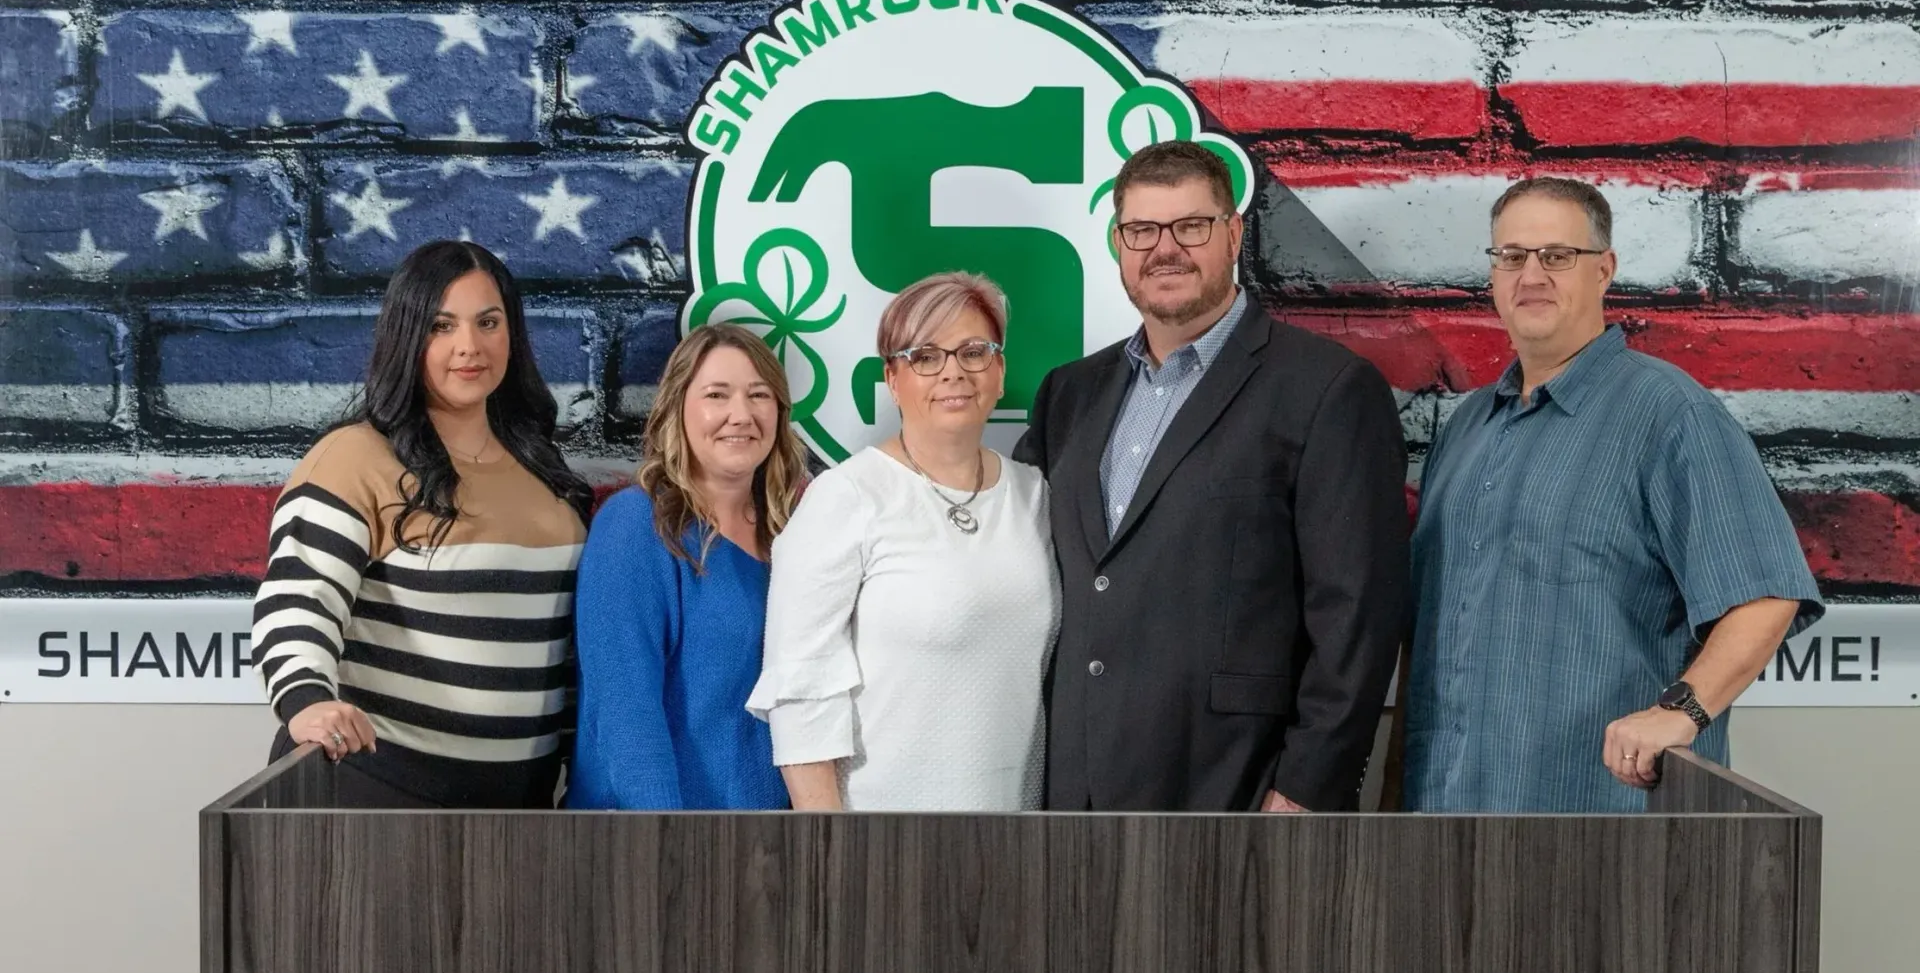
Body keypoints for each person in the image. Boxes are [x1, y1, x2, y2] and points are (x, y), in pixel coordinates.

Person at [1405, 177, 1824, 813]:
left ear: (1604, 270)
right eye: (1511, 256)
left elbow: (1765, 597)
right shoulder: (1466, 428)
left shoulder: (1670, 415)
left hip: (1604, 827)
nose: (1532, 274)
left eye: (1557, 255)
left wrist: (1680, 711)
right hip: (1448, 813)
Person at [1014, 140, 1408, 813]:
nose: (1163, 249)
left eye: (1189, 226)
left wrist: (1309, 785)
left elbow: (1357, 613)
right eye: (1141, 230)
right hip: (1073, 785)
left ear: (1232, 236)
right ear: (1118, 244)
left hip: (1237, 786)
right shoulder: (1069, 394)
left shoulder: (1328, 389)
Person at [249, 239, 594, 807]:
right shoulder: (354, 458)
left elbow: (571, 654)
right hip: (375, 792)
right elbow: (297, 600)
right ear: (407, 336)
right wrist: (305, 702)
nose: (469, 347)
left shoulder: (548, 476)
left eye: (488, 322)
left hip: (520, 807)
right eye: (441, 326)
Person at [748, 271, 1058, 810]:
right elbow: (801, 696)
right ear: (893, 379)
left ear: (1000, 371)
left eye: (973, 352)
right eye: (926, 356)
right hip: (885, 842)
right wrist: (833, 853)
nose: (953, 372)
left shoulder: (1035, 495)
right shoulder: (845, 498)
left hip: (1019, 830)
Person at [566, 324, 807, 810]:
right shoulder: (636, 526)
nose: (741, 414)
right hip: (656, 846)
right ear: (678, 406)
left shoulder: (795, 537)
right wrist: (668, 849)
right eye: (717, 394)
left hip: (767, 847)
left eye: (759, 395)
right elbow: (626, 716)